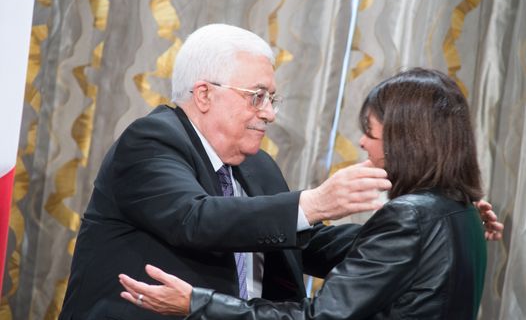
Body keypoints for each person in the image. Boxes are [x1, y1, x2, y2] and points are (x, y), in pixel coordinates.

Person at [58, 23, 394, 320]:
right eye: (257, 96)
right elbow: (195, 218)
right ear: (204, 94)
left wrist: (403, 234)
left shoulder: (258, 163)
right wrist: (315, 203)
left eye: (271, 99)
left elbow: (299, 239)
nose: (269, 114)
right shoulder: (151, 141)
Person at [119, 68, 499, 319]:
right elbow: (334, 247)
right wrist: (309, 208)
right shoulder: (455, 210)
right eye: (256, 96)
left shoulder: (413, 216)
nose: (363, 143)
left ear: (409, 141)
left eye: (371, 131)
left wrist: (196, 304)